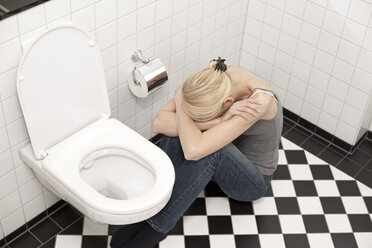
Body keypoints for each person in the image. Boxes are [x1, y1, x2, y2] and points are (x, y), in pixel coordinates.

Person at [110, 57, 283, 248]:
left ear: (228, 101)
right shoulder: (212, 78)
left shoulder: (258, 102)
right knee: (177, 133)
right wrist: (216, 121)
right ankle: (156, 199)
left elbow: (194, 151)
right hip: (218, 169)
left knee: (207, 148)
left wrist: (180, 101)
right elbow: (158, 124)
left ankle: (156, 228)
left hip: (252, 181)